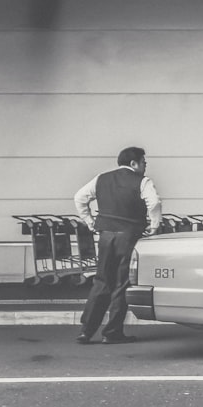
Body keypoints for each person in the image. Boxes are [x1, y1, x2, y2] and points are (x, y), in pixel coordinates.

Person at [73, 146, 162, 344]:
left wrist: (90, 222)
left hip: (105, 236)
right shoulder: (143, 181)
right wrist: (154, 226)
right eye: (143, 162)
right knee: (122, 283)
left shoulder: (101, 179)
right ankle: (112, 332)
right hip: (128, 236)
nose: (145, 166)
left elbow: (79, 198)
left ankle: (86, 331)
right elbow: (154, 203)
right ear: (134, 163)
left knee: (102, 280)